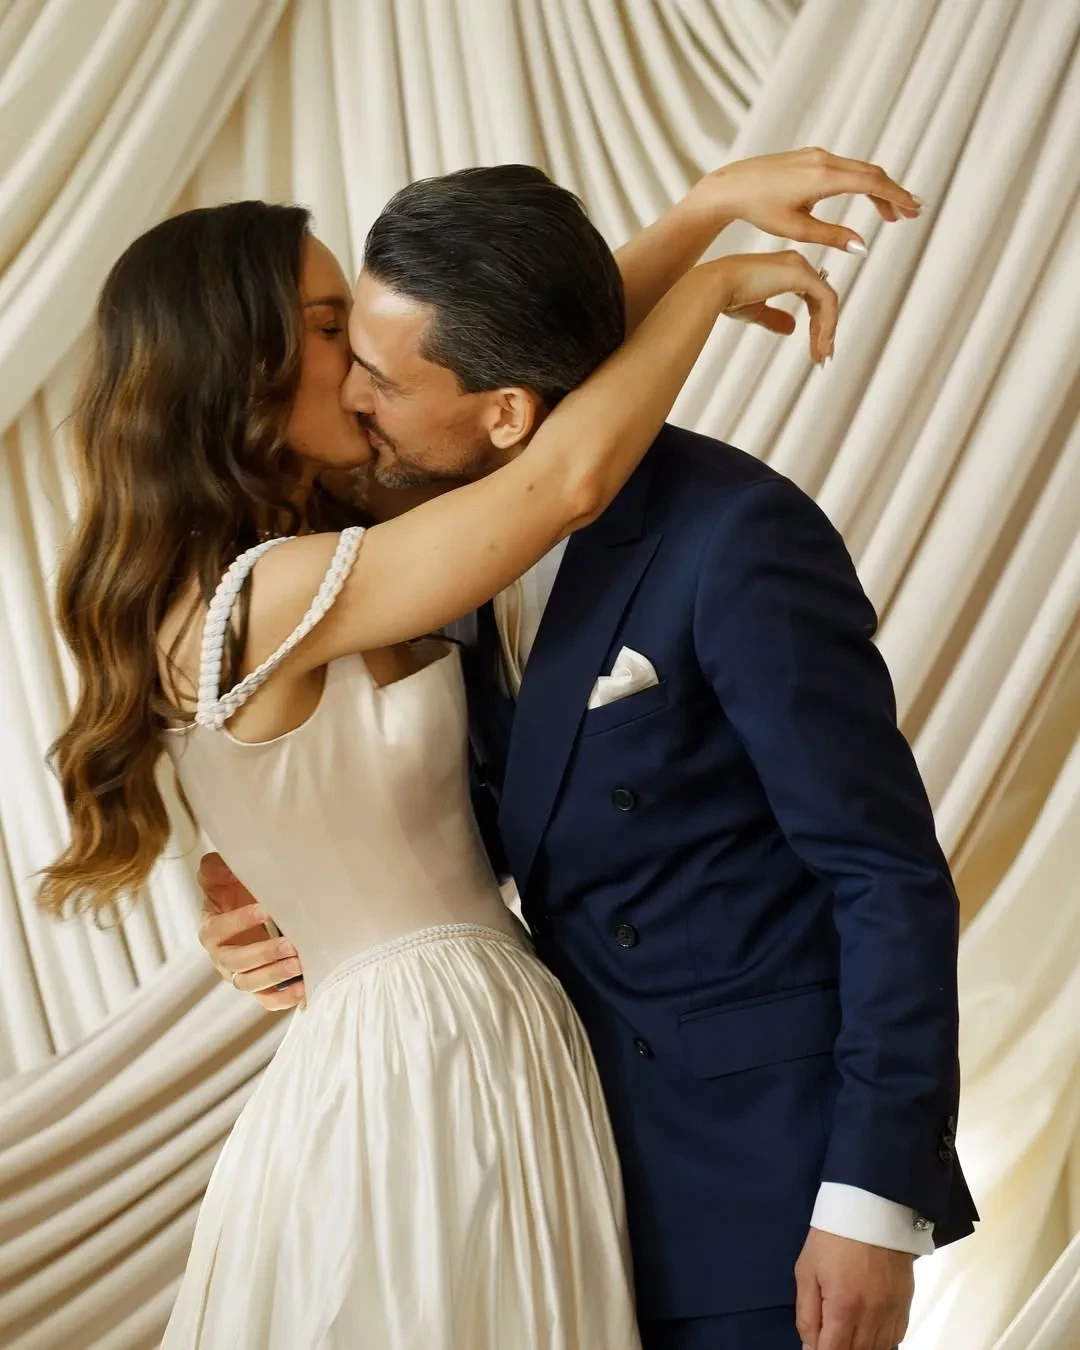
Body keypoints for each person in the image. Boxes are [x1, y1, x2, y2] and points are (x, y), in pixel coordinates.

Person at [40, 160, 840, 1347]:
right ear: (243, 364)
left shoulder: (321, 551)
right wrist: (711, 285)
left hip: (475, 1033)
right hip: (415, 1063)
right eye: (332, 327)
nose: (368, 351)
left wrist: (699, 213)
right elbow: (561, 478)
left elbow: (498, 375)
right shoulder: (259, 597)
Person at [201, 153, 977, 1350]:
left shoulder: (734, 536)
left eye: (379, 377)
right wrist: (297, 900)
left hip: (762, 1193)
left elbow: (885, 874)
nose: (354, 398)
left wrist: (872, 1201)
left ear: (505, 411)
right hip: (551, 1174)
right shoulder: (435, 531)